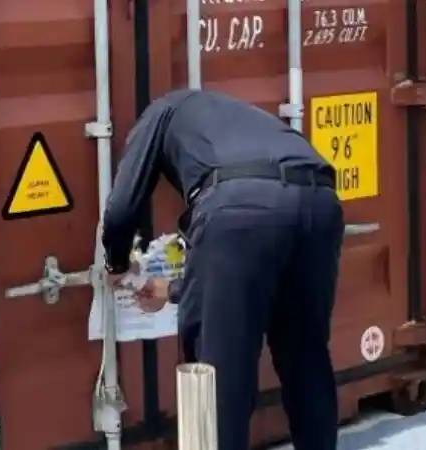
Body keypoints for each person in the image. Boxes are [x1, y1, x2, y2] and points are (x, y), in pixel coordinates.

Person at [101, 89, 345, 450]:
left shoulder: (159, 114)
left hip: (239, 210)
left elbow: (121, 208)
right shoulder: (239, 117)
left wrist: (117, 263)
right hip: (321, 203)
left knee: (220, 378)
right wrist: (172, 290)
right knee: (305, 357)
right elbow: (251, 272)